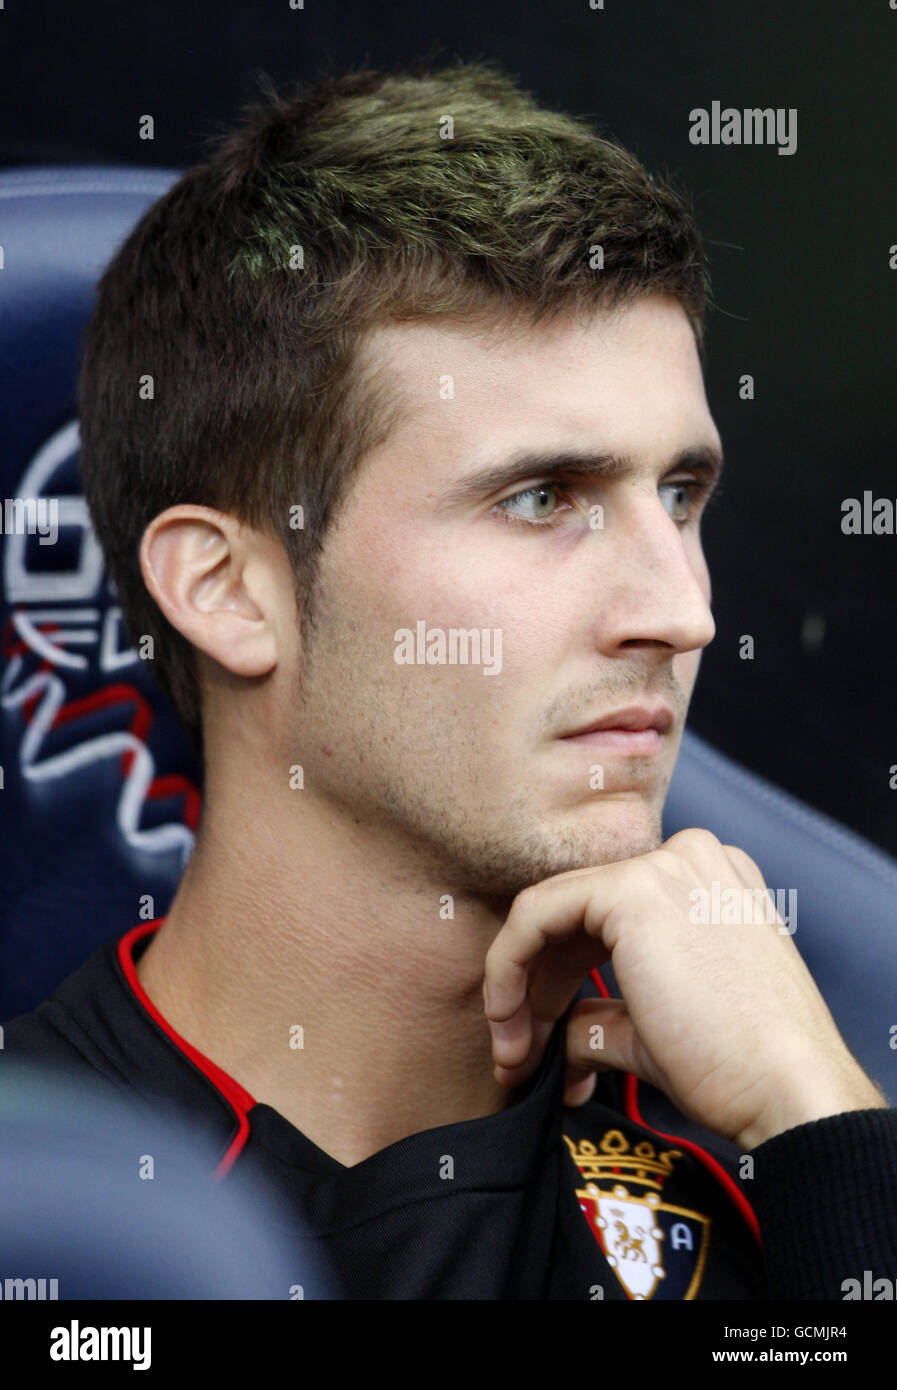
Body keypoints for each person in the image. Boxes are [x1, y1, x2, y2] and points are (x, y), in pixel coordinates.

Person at [4, 58, 895, 1301]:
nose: (682, 611)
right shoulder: (35, 1213)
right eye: (543, 499)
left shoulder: (794, 1154)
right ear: (226, 588)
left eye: (681, 495)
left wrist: (826, 1128)